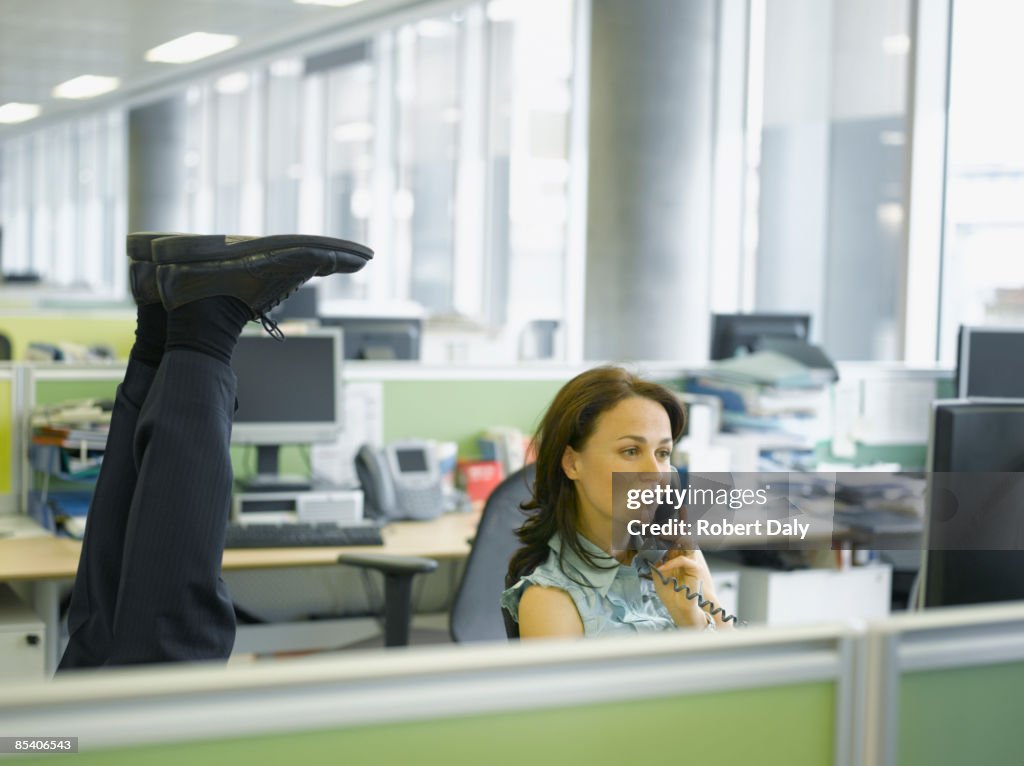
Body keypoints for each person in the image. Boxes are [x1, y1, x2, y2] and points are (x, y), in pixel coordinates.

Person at [58, 232, 372, 669]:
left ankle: (180, 325)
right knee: (139, 647)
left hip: (56, 743)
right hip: (64, 742)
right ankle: (182, 318)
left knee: (119, 642)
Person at [502, 366, 735, 638]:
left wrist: (691, 618)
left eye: (662, 453)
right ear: (572, 463)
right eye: (631, 451)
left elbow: (734, 672)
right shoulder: (551, 601)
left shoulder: (678, 559)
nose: (655, 473)